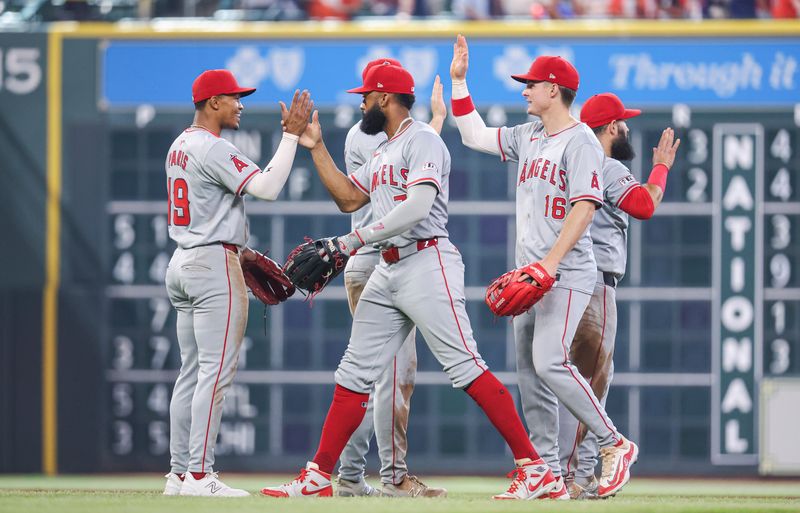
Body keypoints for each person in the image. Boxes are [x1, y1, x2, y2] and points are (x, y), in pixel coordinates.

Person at [261, 62, 558, 501]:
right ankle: (319, 475)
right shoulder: (384, 149)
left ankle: (534, 469)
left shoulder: (423, 140)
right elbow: (348, 198)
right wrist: (316, 147)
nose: (361, 102)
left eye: (366, 95)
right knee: (355, 370)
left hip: (427, 261)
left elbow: (417, 207)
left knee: (464, 366)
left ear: (385, 98)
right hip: (388, 266)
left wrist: (351, 241)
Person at [449, 34, 637, 499]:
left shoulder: (581, 144)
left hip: (568, 272)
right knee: (531, 376)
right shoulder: (527, 135)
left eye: (530, 84)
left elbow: (585, 207)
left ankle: (614, 443)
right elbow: (472, 134)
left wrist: (550, 265)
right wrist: (459, 82)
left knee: (551, 364)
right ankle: (546, 474)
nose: (523, 90)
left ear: (554, 90)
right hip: (529, 273)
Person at [162, 69, 312, 497]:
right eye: (233, 97)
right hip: (211, 265)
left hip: (182, 261)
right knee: (215, 372)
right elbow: (266, 187)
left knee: (190, 371)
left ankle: (177, 474)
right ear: (212, 103)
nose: (240, 104)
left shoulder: (178, 145)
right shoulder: (211, 147)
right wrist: (290, 137)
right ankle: (199, 474)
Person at [334, 58, 447, 498]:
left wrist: (435, 121)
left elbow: (416, 155)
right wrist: (434, 124)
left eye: (365, 94)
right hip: (378, 256)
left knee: (368, 375)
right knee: (390, 377)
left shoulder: (399, 135)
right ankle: (393, 477)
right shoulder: (369, 134)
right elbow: (412, 172)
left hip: (376, 256)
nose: (362, 104)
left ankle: (348, 476)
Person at [557, 93, 679, 499]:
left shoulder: (575, 160)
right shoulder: (605, 165)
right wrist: (660, 168)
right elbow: (644, 204)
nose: (627, 129)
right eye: (623, 123)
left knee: (580, 382)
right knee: (590, 383)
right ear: (610, 128)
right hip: (594, 284)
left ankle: (581, 473)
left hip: (571, 281)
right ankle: (574, 478)